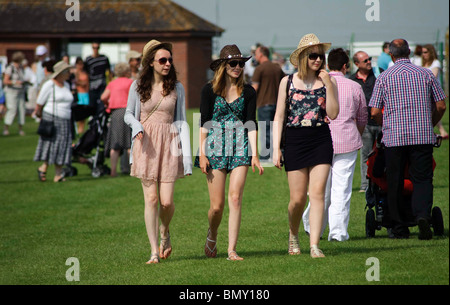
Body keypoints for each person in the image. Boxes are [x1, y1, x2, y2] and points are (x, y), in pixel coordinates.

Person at [369, 39, 447, 240]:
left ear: (392, 55)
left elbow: (375, 111)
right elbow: (441, 106)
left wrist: (384, 123)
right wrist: (430, 123)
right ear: (410, 52)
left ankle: (398, 226)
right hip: (422, 135)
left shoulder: (384, 77)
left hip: (394, 137)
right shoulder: (426, 74)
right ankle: (422, 215)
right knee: (422, 179)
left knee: (394, 180)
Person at [124, 39, 192, 264]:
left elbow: (181, 120)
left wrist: (188, 157)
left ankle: (165, 231)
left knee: (166, 202)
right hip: (145, 144)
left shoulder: (177, 87)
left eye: (170, 60)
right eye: (162, 60)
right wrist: (136, 126)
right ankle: (154, 251)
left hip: (170, 144)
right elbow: (128, 114)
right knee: (151, 199)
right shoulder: (137, 86)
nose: (167, 64)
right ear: (151, 63)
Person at [195, 44, 264, 261]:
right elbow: (204, 122)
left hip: (240, 145)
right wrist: (203, 154)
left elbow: (251, 122)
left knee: (235, 199)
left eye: (241, 64)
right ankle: (212, 233)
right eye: (233, 63)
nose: (237, 67)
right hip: (214, 146)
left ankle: (231, 250)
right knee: (217, 207)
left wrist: (254, 154)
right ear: (223, 66)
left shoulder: (249, 91)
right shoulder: (209, 90)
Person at [273, 33, 339, 258]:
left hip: (321, 138)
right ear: (303, 57)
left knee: (318, 193)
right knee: (298, 199)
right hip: (295, 140)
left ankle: (314, 245)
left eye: (321, 55)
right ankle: (293, 234)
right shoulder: (287, 82)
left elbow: (333, 113)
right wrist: (275, 150)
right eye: (313, 56)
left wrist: (329, 84)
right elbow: (279, 117)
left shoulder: (328, 81)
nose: (318, 60)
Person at [303, 48, 367, 241]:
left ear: (327, 64)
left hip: (319, 140)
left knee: (320, 188)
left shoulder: (316, 84)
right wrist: (358, 134)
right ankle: (338, 232)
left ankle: (311, 224)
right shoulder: (355, 86)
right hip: (347, 141)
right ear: (346, 66)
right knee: (342, 189)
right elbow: (363, 117)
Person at [33, 61, 74, 182]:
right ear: (60, 73)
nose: (69, 73)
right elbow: (39, 103)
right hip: (52, 118)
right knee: (51, 145)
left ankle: (56, 173)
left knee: (62, 146)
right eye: (67, 71)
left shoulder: (66, 85)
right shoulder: (49, 85)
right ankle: (46, 169)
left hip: (65, 119)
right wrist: (40, 116)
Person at [349, 51, 384, 192]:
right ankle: (365, 185)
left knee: (384, 154)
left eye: (369, 59)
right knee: (366, 155)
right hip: (365, 124)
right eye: (365, 61)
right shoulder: (352, 80)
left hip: (382, 120)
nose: (369, 62)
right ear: (357, 64)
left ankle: (382, 183)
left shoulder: (379, 74)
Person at [252, 45, 285, 162]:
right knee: (278, 129)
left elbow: (254, 88)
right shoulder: (277, 68)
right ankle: (280, 154)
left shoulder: (259, 69)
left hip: (263, 104)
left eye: (256, 54)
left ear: (261, 54)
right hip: (278, 104)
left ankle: (266, 156)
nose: (255, 56)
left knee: (265, 131)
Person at [101, 63, 133, 177]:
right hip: (128, 112)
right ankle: (132, 170)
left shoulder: (112, 83)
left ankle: (113, 171)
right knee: (130, 144)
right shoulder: (130, 82)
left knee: (114, 145)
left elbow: (103, 97)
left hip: (115, 114)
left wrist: (107, 104)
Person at [421, 44, 448, 139]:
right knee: (430, 111)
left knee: (434, 110)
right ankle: (442, 132)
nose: (423, 54)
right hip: (425, 92)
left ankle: (441, 131)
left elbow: (434, 75)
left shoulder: (435, 63)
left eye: (425, 52)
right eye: (422, 52)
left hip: (434, 92)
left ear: (431, 52)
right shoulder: (423, 64)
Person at [2, 51, 26, 136]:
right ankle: (6, 128)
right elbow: (5, 81)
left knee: (21, 110)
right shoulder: (10, 67)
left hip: (20, 91)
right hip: (11, 92)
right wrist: (15, 82)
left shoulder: (21, 67)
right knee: (11, 109)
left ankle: (20, 129)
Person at [84, 41, 111, 116]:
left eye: (97, 48)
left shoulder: (104, 58)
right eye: (94, 48)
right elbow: (86, 73)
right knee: (92, 106)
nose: (95, 49)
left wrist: (110, 84)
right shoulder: (88, 59)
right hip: (92, 86)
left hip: (102, 85)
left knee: (101, 106)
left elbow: (109, 72)